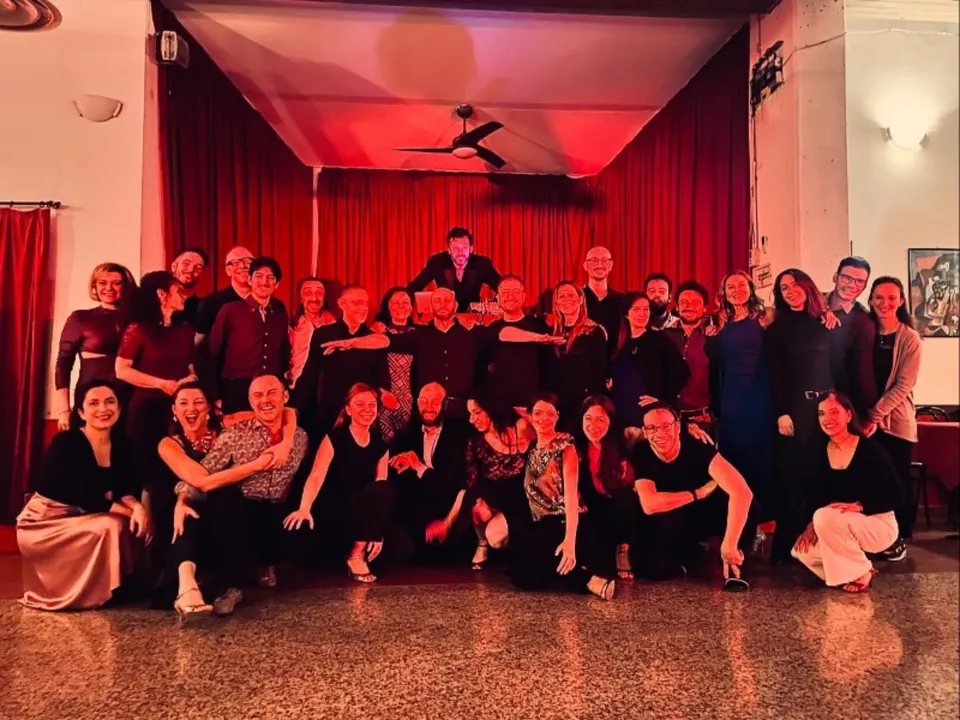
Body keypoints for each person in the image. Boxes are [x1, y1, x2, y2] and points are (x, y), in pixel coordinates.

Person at [17, 381, 149, 611]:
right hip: (44, 522)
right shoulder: (65, 443)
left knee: (128, 522)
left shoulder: (123, 444)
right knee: (112, 524)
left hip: (87, 515)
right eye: (93, 403)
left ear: (119, 409)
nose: (103, 409)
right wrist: (129, 512)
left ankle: (116, 586)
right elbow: (83, 495)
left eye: (110, 402)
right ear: (80, 412)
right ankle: (94, 593)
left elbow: (125, 488)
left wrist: (138, 508)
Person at [175, 374, 308, 599]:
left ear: (285, 397)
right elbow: (203, 472)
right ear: (250, 401)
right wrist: (182, 499)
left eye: (272, 393)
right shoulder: (235, 434)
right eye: (257, 395)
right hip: (242, 514)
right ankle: (232, 587)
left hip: (278, 515)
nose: (265, 400)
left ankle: (266, 564)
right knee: (226, 498)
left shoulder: (300, 437)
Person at [160, 382, 280, 620]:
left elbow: (285, 411)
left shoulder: (228, 425)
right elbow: (201, 481)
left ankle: (221, 586)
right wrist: (255, 466)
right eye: (183, 403)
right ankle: (187, 587)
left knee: (227, 498)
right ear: (174, 410)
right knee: (189, 513)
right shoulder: (169, 444)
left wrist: (285, 445)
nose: (191, 408)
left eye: (198, 402)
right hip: (185, 507)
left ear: (209, 408)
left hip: (226, 514)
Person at [115, 271, 196, 549]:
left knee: (173, 476)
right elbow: (122, 370)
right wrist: (162, 384)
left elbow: (188, 366)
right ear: (162, 294)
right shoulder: (138, 329)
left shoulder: (185, 331)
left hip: (178, 411)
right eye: (177, 291)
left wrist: (190, 379)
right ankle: (145, 548)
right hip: (146, 412)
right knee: (147, 475)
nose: (183, 296)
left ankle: (171, 547)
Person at [632, 402, 754, 588]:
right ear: (645, 432)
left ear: (677, 426)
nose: (660, 433)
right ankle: (688, 555)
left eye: (666, 426)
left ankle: (735, 560)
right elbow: (649, 504)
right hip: (671, 515)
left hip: (704, 512)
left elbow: (742, 491)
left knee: (748, 507)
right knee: (656, 570)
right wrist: (698, 493)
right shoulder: (642, 452)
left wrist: (730, 543)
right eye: (652, 428)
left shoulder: (697, 445)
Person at [791, 392, 904, 593]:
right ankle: (858, 571)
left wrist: (860, 506)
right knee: (803, 552)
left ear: (849, 415)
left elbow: (897, 495)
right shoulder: (818, 452)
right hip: (836, 522)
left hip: (877, 524)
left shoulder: (870, 449)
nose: (827, 419)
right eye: (821, 414)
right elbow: (814, 496)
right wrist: (810, 527)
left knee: (824, 515)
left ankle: (859, 572)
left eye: (834, 412)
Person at [509, 393, 615, 600]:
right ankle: (582, 575)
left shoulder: (566, 446)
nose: (544, 418)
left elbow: (571, 496)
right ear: (530, 416)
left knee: (535, 565)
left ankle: (589, 581)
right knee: (521, 576)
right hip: (542, 524)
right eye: (538, 413)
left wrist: (569, 541)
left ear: (557, 416)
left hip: (568, 521)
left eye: (550, 413)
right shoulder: (531, 450)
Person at [285, 384, 394, 583]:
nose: (367, 409)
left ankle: (359, 547)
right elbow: (316, 476)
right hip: (337, 509)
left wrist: (377, 531)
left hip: (364, 512)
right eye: (360, 404)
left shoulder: (381, 446)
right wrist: (304, 508)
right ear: (348, 410)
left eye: (372, 405)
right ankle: (355, 555)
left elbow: (382, 490)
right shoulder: (334, 438)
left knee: (401, 545)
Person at [765, 269, 836, 564]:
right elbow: (774, 375)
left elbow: (837, 368)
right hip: (795, 410)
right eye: (784, 288)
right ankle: (785, 549)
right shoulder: (775, 330)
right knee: (791, 479)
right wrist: (782, 412)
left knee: (823, 476)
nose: (790, 291)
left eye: (795, 284)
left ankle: (820, 545)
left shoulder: (826, 324)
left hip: (827, 408)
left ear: (808, 287)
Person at [706, 271, 777, 521]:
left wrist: (826, 313)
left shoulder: (766, 315)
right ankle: (739, 518)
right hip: (731, 396)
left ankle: (762, 520)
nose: (736, 290)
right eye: (731, 287)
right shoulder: (721, 321)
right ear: (724, 293)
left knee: (760, 455)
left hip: (760, 394)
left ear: (750, 288)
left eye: (741, 285)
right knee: (733, 456)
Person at [865, 276, 922, 558]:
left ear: (901, 301)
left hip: (894, 422)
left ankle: (899, 538)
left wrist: (874, 416)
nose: (884, 303)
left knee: (896, 479)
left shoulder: (910, 338)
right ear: (870, 299)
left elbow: (903, 385)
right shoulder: (865, 330)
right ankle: (874, 537)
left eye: (891, 297)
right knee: (869, 481)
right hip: (864, 422)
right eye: (878, 297)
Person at [293, 284, 391, 444]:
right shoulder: (324, 334)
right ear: (341, 304)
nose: (363, 308)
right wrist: (293, 407)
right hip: (329, 415)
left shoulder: (374, 339)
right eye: (357, 303)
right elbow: (309, 375)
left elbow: (382, 380)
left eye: (365, 303)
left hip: (363, 417)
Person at [389, 383, 473, 563]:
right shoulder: (405, 438)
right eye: (424, 401)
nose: (428, 408)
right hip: (417, 514)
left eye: (435, 402)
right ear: (417, 403)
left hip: (452, 511)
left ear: (445, 404)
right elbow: (404, 489)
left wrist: (418, 466)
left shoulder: (460, 434)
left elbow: (453, 485)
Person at [53, 262, 136, 430]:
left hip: (132, 400)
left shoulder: (138, 320)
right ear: (94, 286)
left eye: (116, 283)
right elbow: (63, 363)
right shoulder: (81, 318)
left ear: (126, 286)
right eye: (102, 283)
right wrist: (64, 410)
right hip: (92, 400)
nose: (109, 288)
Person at [207, 257, 290, 414]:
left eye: (270, 277)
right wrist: (215, 395)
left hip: (271, 387)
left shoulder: (280, 312)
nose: (264, 282)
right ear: (250, 280)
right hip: (236, 388)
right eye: (259, 276)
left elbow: (283, 350)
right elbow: (212, 353)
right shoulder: (230, 310)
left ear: (277, 284)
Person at [463, 389, 532, 569]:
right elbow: (472, 481)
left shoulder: (521, 426)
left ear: (490, 408)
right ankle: (482, 543)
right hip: (499, 502)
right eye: (470, 414)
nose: (471, 419)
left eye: (476, 412)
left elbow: (547, 440)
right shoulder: (476, 442)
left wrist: (531, 418)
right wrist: (479, 502)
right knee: (491, 532)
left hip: (527, 499)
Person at [577, 396, 637, 580]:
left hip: (623, 512)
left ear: (610, 421)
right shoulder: (576, 446)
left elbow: (655, 431)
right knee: (599, 564)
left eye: (600, 419)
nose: (593, 425)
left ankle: (623, 548)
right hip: (595, 509)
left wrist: (688, 427)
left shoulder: (624, 442)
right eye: (588, 418)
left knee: (624, 498)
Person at [610, 292, 689, 429]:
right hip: (622, 416)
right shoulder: (620, 342)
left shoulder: (658, 339)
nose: (642, 314)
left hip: (650, 416)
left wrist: (661, 399)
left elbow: (682, 372)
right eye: (636, 309)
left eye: (646, 309)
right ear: (626, 314)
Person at [541, 281, 608, 426]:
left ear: (581, 299)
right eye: (561, 296)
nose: (566, 299)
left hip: (583, 405)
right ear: (556, 302)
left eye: (570, 295)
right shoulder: (549, 332)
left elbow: (600, 373)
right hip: (555, 406)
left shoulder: (594, 331)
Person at [482, 275, 548, 412]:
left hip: (534, 406)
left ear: (523, 297)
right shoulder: (491, 330)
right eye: (505, 292)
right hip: (500, 406)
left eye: (515, 292)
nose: (510, 296)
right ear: (498, 298)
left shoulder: (539, 326)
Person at [825, 257, 878, 420]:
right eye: (846, 278)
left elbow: (862, 370)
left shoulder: (864, 321)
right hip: (801, 393)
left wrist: (866, 413)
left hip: (838, 403)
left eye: (859, 281)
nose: (852, 285)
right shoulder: (813, 302)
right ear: (835, 277)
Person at [408, 226, 501, 312]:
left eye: (464, 247)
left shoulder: (482, 264)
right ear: (449, 250)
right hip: (444, 314)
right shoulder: (437, 262)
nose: (460, 252)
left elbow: (502, 287)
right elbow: (414, 287)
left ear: (471, 249)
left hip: (473, 316)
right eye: (455, 247)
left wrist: (494, 304)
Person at [666, 280, 716, 433]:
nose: (689, 306)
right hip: (669, 419)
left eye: (695, 302)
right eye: (684, 302)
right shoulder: (665, 337)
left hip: (702, 419)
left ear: (704, 307)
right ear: (676, 307)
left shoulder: (713, 338)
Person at [375, 286, 417, 444]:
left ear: (411, 308)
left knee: (409, 443)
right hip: (384, 398)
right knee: (386, 444)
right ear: (387, 307)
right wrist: (381, 392)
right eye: (395, 303)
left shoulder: (419, 335)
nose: (401, 307)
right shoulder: (377, 335)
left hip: (411, 400)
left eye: (405, 303)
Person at [194, 246, 255, 341]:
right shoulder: (210, 303)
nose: (243, 266)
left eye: (248, 262)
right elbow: (199, 343)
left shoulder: (268, 302)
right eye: (236, 263)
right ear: (228, 271)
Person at [288, 276, 336, 391]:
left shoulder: (333, 323)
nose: (314, 298)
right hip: (297, 385)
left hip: (325, 386)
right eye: (308, 292)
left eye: (319, 293)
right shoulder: (292, 326)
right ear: (301, 298)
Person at [582, 246, 623, 358]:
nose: (599, 265)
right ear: (585, 266)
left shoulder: (622, 301)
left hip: (614, 363)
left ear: (611, 265)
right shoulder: (577, 300)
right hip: (582, 361)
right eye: (594, 260)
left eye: (604, 260)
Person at [170, 248, 209, 327]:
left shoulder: (201, 307)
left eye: (198, 267)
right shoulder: (155, 298)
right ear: (174, 266)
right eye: (186, 264)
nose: (191, 270)